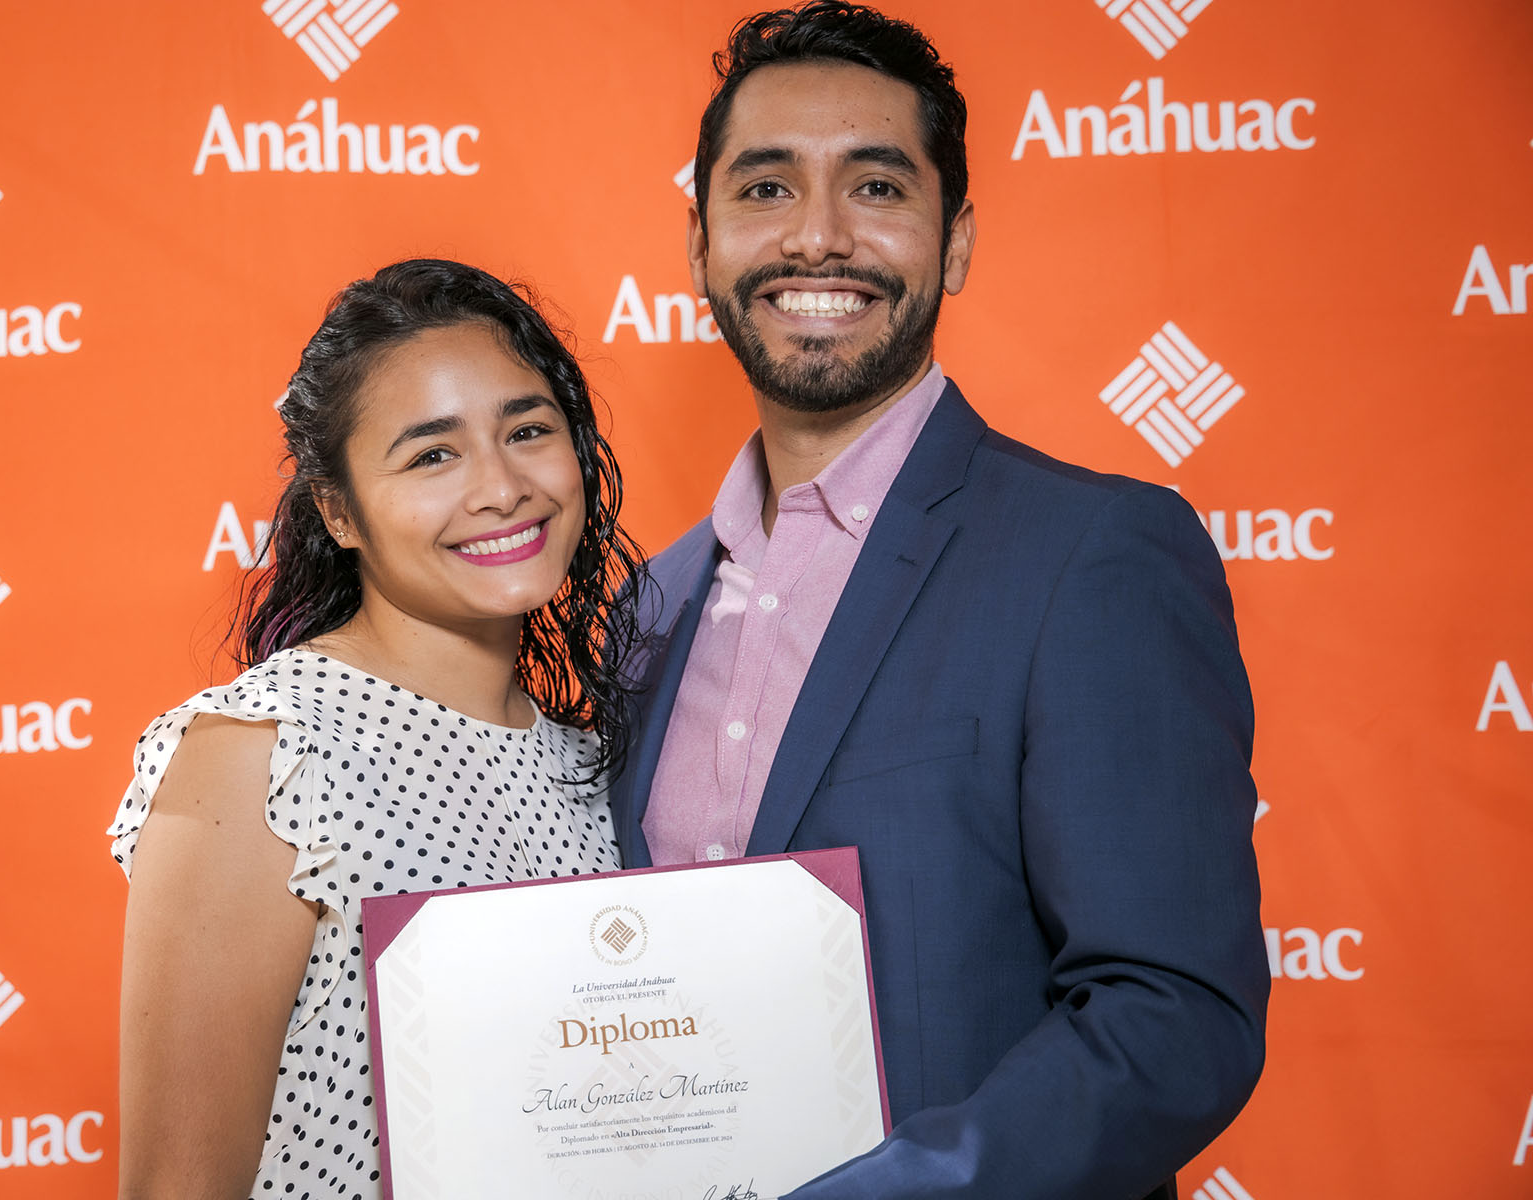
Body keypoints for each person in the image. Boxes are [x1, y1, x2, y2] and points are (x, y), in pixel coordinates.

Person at [609, 4, 1268, 1197]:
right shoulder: (641, 610)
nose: (817, 237)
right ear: (698, 242)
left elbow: (1173, 1014)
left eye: (876, 187)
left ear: (954, 243)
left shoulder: (1095, 556)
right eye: (765, 189)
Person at [110, 259, 644, 1200]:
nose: (501, 488)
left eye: (527, 430)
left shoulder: (593, 762)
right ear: (339, 511)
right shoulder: (264, 755)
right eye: (432, 455)